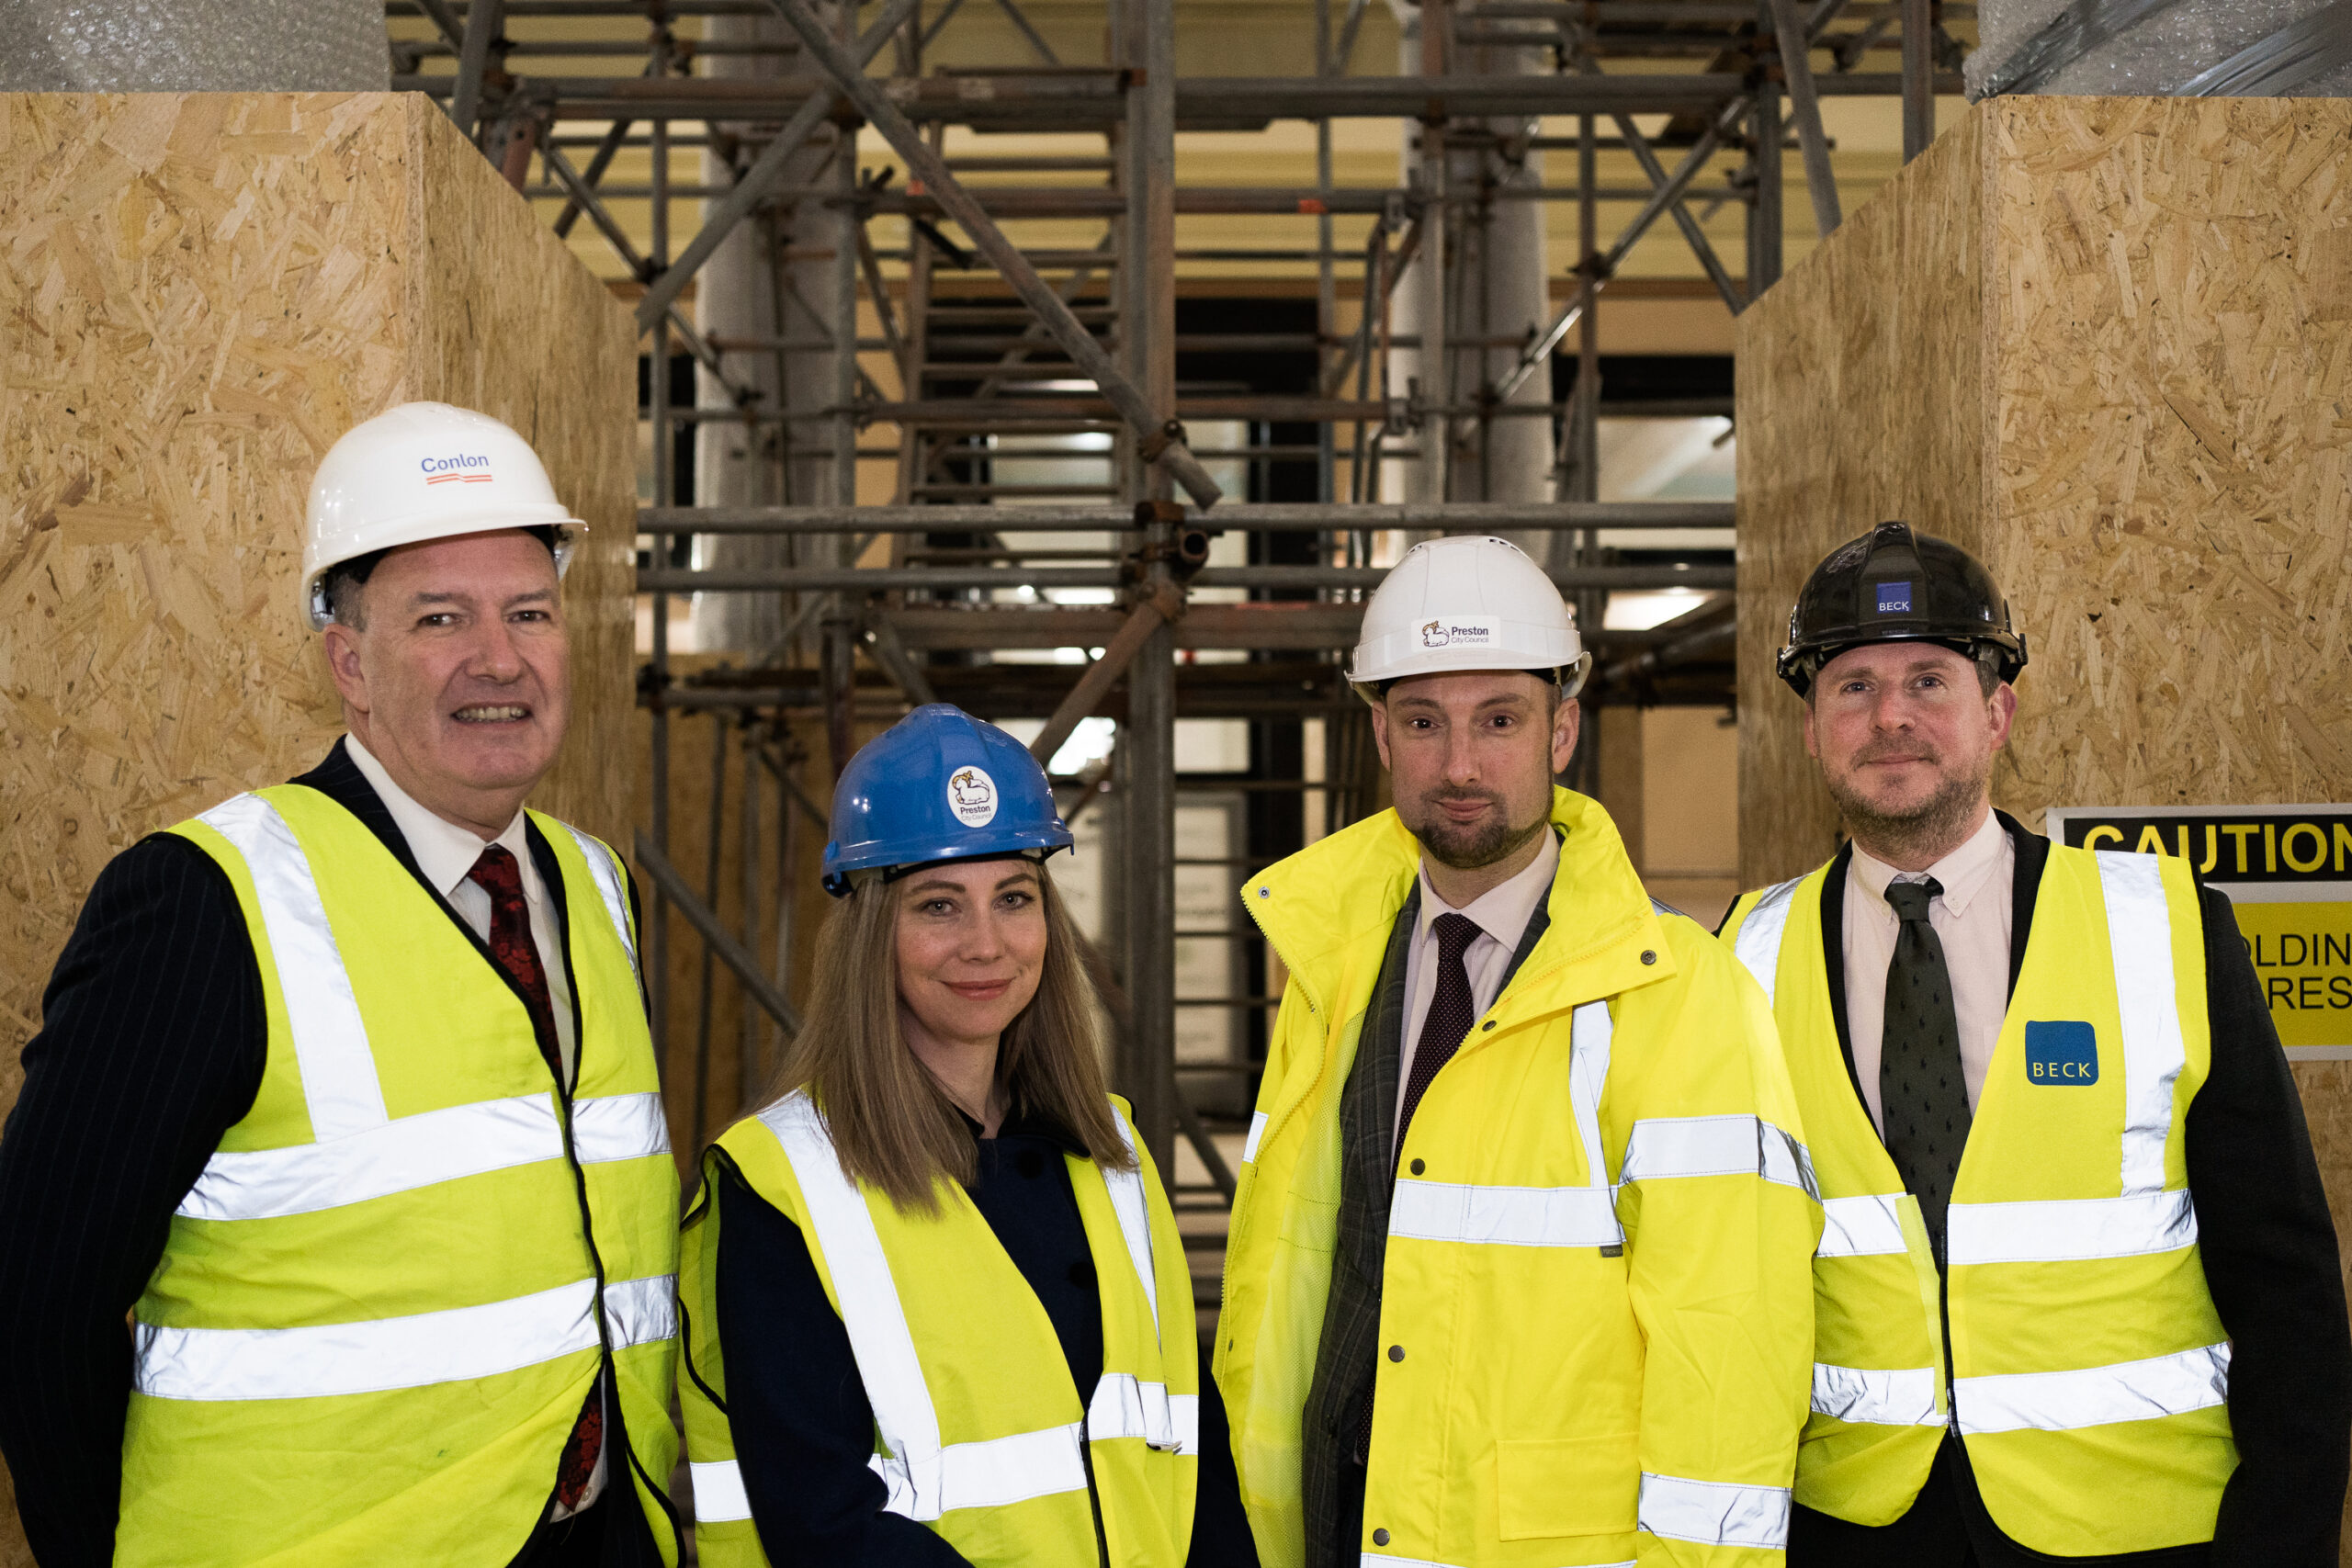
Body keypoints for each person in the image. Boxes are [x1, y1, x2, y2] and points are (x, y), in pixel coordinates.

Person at [0, 402, 682, 1568]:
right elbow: (33, 1297)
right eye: (439, 619)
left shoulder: (597, 888)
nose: (498, 658)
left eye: (529, 612)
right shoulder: (208, 906)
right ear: (349, 662)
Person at [1719, 521, 2351, 1567]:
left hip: (2138, 1533)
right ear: (1810, 729)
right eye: (1851, 687)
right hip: (1852, 1534)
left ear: (1997, 712)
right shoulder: (1739, 955)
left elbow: (2285, 1281)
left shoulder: (2166, 928)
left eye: (1929, 681)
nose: (1891, 719)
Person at [1216, 535, 1818, 1568]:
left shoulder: (1674, 990)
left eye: (1498, 720)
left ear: (1561, 732)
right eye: (1423, 722)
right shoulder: (1329, 968)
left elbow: (1728, 1343)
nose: (1458, 765)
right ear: (1380, 735)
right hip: (1332, 1521)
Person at [675, 704, 1257, 1568]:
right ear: (872, 932)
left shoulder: (1113, 1153)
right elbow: (822, 1521)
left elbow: (1190, 1451)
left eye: (1013, 898)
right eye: (939, 905)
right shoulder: (783, 1182)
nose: (986, 944)